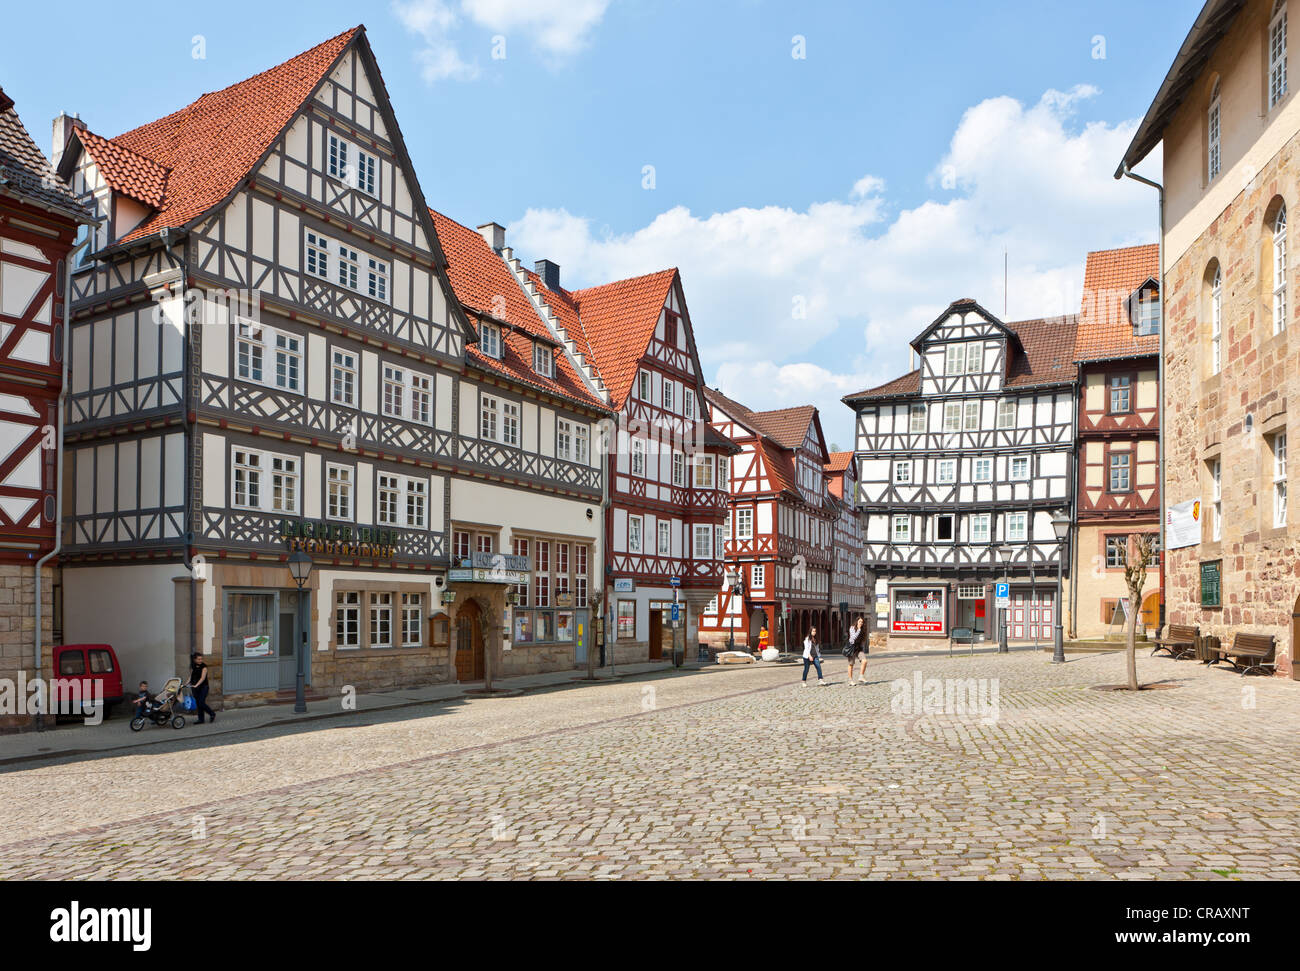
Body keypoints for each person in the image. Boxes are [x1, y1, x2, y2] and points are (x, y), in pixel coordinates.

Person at [188, 653, 216, 724]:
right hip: (195, 687)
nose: (201, 660)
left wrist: (196, 685)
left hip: (203, 687)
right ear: (195, 659)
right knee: (198, 703)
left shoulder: (204, 667)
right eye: (199, 659)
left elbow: (203, 678)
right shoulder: (193, 666)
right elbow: (191, 676)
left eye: (201, 659)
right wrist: (186, 683)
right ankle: (201, 719)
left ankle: (212, 713)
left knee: (201, 702)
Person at [845, 617, 868, 685]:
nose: (861, 623)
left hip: (859, 648)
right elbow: (853, 638)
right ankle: (850, 680)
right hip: (852, 647)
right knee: (851, 664)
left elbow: (863, 640)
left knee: (864, 661)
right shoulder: (852, 628)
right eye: (859, 621)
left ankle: (861, 676)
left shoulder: (862, 630)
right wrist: (858, 630)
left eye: (862, 622)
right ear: (856, 622)